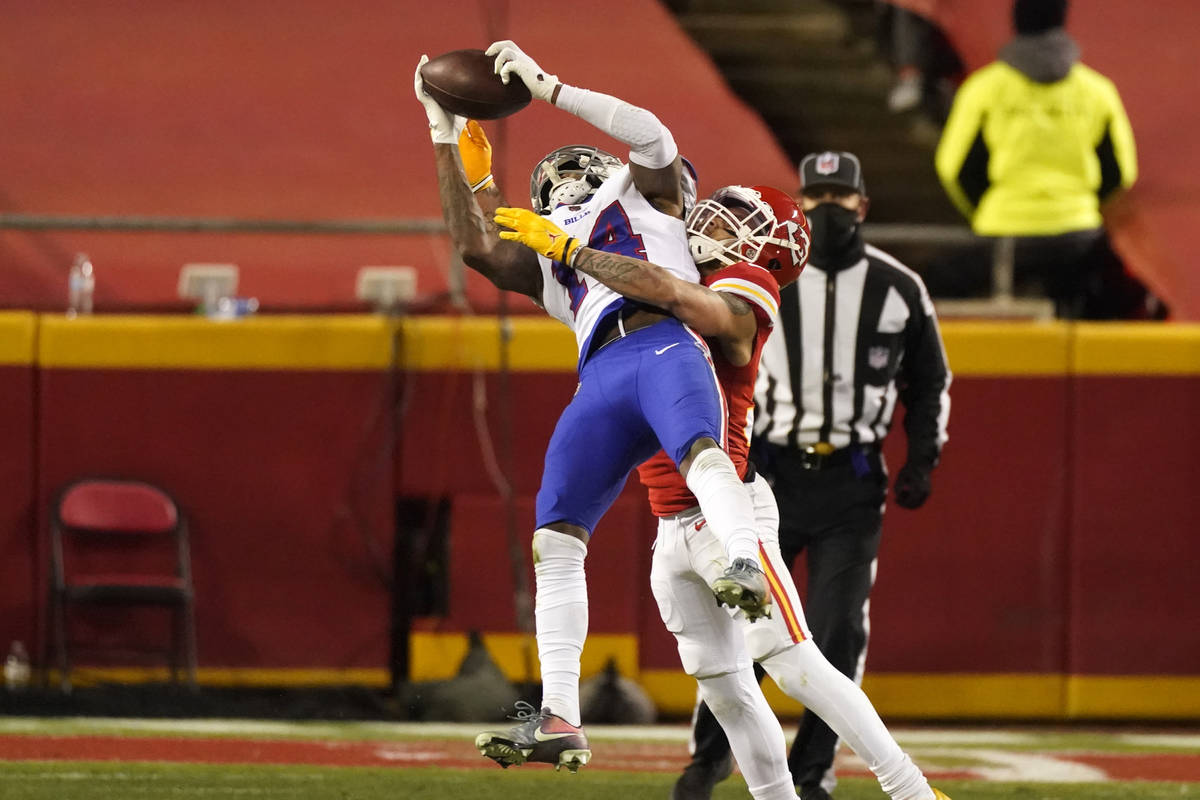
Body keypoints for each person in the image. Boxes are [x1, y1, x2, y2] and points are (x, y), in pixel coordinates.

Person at [500, 185, 951, 800]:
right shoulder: (663, 274)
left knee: (793, 662)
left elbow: (674, 294)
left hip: (729, 513)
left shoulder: (746, 282)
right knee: (728, 690)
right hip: (671, 528)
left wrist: (579, 249)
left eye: (742, 219)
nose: (720, 220)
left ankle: (913, 791)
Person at [414, 40, 773, 774]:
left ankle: (744, 562)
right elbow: (476, 246)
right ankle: (561, 716)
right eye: (554, 177)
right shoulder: (553, 258)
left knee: (702, 449)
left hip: (665, 344)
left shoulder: (648, 197)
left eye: (575, 169)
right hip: (602, 375)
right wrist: (443, 136)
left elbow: (651, 135)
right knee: (555, 536)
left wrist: (550, 88)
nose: (563, 183)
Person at [680, 152, 951, 800]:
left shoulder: (899, 285)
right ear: (798, 204)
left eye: (840, 195)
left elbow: (930, 381)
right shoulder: (762, 277)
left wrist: (921, 460)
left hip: (852, 482)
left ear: (862, 205)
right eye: (816, 195)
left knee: (835, 632)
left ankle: (812, 774)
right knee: (746, 625)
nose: (828, 207)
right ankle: (708, 759)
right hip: (768, 472)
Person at [933, 0, 1151, 318]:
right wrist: (1083, 204)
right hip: (1078, 234)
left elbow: (953, 167)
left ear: (1016, 23)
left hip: (1004, 232)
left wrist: (986, 212)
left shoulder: (983, 89)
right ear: (1062, 22)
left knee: (932, 283)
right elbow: (1122, 171)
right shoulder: (1097, 90)